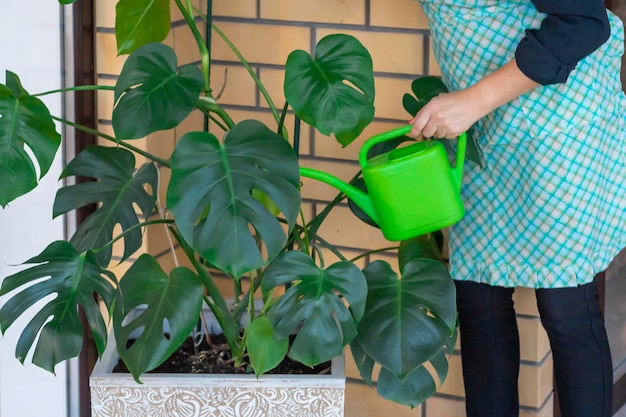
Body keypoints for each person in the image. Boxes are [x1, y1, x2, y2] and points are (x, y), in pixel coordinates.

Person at [408, 1, 626, 416]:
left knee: (564, 305)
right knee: (478, 297)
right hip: (485, 127)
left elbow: (583, 22)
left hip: (559, 118)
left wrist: (472, 102)